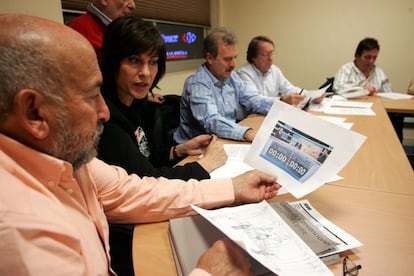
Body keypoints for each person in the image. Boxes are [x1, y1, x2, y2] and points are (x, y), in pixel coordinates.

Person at [0, 14, 281, 275]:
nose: (105, 112)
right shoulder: (19, 227)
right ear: (35, 113)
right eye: (90, 96)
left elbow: (133, 190)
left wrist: (234, 188)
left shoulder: (67, 156)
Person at [98, 16, 227, 181]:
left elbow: (148, 158)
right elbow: (148, 181)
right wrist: (208, 163)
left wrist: (180, 150)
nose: (145, 73)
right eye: (134, 60)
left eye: (152, 62)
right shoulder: (105, 117)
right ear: (112, 62)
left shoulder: (138, 103)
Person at [173, 28, 275, 144]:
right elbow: (211, 121)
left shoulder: (232, 77)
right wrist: (246, 133)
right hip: (193, 150)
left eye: (234, 58)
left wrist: (282, 109)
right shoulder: (197, 84)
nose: (233, 64)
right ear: (210, 58)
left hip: (223, 140)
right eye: (227, 59)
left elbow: (253, 100)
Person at [67, 0, 163, 104]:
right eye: (134, 60)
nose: (133, 5)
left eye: (153, 62)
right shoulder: (76, 32)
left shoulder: (122, 30)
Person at [333, 37, 403, 141]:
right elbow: (338, 88)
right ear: (357, 56)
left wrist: (379, 93)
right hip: (352, 114)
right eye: (368, 57)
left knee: (396, 120)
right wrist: (363, 89)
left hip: (376, 115)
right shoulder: (346, 69)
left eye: (374, 57)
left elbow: (389, 93)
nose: (371, 61)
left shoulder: (378, 71)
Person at [237, 35, 306, 106]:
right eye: (265, 54)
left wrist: (310, 96)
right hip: (254, 114)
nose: (270, 58)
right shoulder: (244, 73)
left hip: (273, 112)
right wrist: (282, 101)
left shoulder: (274, 70)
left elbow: (288, 89)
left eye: (272, 53)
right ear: (253, 57)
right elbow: (254, 100)